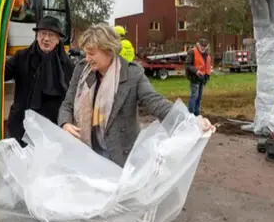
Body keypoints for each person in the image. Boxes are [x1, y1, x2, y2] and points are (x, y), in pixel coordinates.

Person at [59, 24, 212, 167]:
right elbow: (68, 103)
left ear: (108, 50)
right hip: (86, 152)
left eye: (91, 53)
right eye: (85, 53)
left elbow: (155, 102)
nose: (87, 58)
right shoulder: (82, 69)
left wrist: (191, 123)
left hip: (117, 158)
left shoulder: (133, 74)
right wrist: (65, 123)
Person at [4, 16, 75, 146]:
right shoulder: (22, 57)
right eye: (43, 33)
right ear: (37, 36)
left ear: (58, 40)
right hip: (22, 124)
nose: (46, 38)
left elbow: (73, 97)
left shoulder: (68, 65)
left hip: (52, 129)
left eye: (51, 35)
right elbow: (2, 74)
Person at [185, 39, 212, 116]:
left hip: (202, 78)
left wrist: (208, 74)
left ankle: (197, 115)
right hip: (194, 78)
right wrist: (196, 71)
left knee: (199, 97)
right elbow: (187, 65)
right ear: (198, 44)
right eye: (201, 45)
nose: (203, 47)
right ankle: (190, 115)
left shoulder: (207, 54)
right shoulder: (192, 52)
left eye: (204, 46)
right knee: (194, 96)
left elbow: (206, 65)